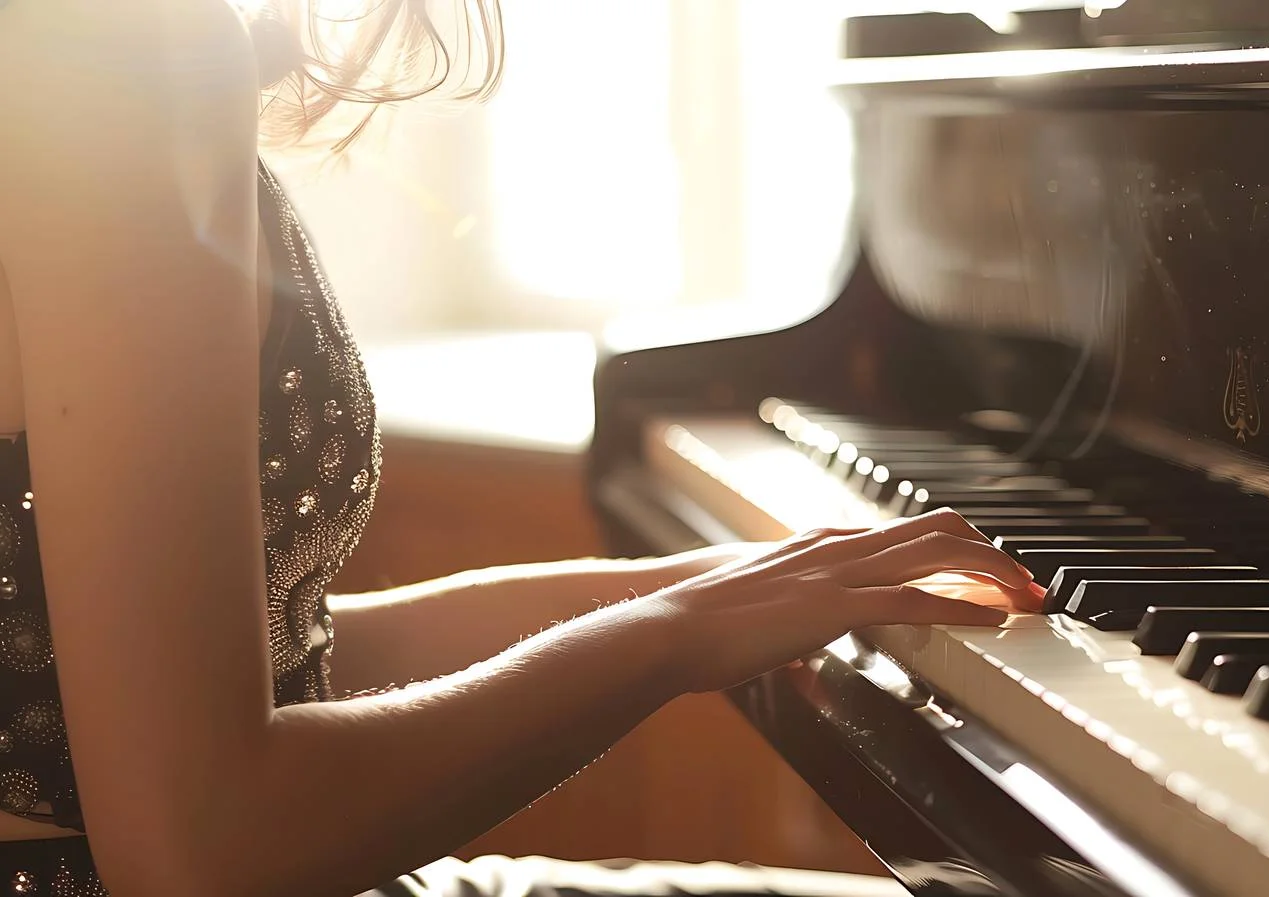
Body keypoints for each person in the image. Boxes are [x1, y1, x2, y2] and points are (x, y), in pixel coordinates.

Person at [0, 1, 1049, 895]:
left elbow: (252, 664)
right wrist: (671, 633)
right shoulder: (109, 51)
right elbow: (205, 844)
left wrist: (692, 588)